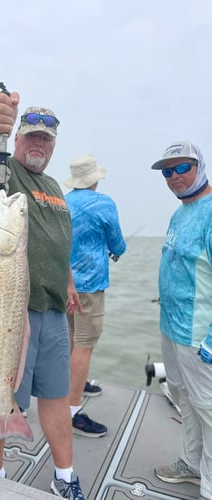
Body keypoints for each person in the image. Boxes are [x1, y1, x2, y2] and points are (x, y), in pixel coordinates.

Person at [0, 90, 86, 500]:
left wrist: (67, 280)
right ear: (16, 140)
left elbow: (57, 240)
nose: (37, 144)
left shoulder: (53, 185)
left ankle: (65, 477)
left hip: (53, 311)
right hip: (10, 310)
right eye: (30, 136)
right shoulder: (5, 176)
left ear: (53, 146)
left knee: (56, 396)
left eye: (45, 139)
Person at [150, 140, 212, 500]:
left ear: (200, 165)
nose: (173, 177)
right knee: (183, 398)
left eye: (181, 168)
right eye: (167, 172)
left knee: (208, 408)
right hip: (172, 328)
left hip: (198, 335)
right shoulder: (180, 212)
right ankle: (192, 463)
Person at [64, 154, 126, 438]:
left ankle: (75, 385)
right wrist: (116, 250)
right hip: (89, 286)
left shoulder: (62, 202)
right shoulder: (104, 203)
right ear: (95, 179)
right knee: (85, 346)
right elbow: (117, 243)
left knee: (71, 341)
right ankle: (73, 410)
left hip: (63, 285)